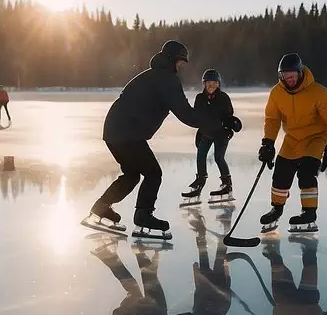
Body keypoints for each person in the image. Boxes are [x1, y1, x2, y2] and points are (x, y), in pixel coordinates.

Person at [85, 40, 235, 237]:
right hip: (126, 132)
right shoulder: (167, 80)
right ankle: (143, 216)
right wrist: (219, 123)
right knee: (153, 173)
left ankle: (101, 208)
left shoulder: (154, 75)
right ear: (172, 59)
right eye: (181, 61)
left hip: (115, 130)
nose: (182, 65)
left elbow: (187, 113)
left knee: (132, 175)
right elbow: (186, 114)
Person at [258, 53, 327, 232]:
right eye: (284, 76)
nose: (289, 79)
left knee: (307, 171)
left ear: (300, 73)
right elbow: (272, 119)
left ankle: (309, 213)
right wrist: (268, 143)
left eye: (292, 75)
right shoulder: (276, 93)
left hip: (316, 137)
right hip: (292, 139)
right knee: (281, 171)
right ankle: (277, 208)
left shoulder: (319, 92)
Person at [182, 68, 240, 203]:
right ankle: (200, 182)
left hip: (221, 133)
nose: (211, 85)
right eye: (208, 82)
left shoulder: (223, 98)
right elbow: (197, 116)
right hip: (206, 133)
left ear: (218, 84)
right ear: (204, 84)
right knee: (200, 156)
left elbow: (229, 116)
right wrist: (199, 130)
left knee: (219, 157)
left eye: (214, 82)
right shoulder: (199, 98)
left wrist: (229, 126)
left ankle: (227, 184)